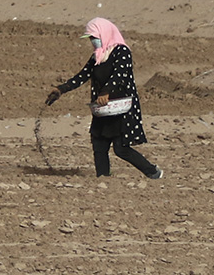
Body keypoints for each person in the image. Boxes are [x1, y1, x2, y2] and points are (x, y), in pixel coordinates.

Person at [45, 17, 162, 180]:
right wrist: (61, 89)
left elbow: (119, 75)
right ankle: (103, 178)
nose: (92, 41)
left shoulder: (122, 52)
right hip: (103, 108)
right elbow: (82, 76)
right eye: (91, 38)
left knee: (121, 149)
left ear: (104, 33)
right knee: (99, 145)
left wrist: (105, 92)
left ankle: (152, 171)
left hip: (120, 108)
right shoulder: (97, 57)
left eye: (94, 37)